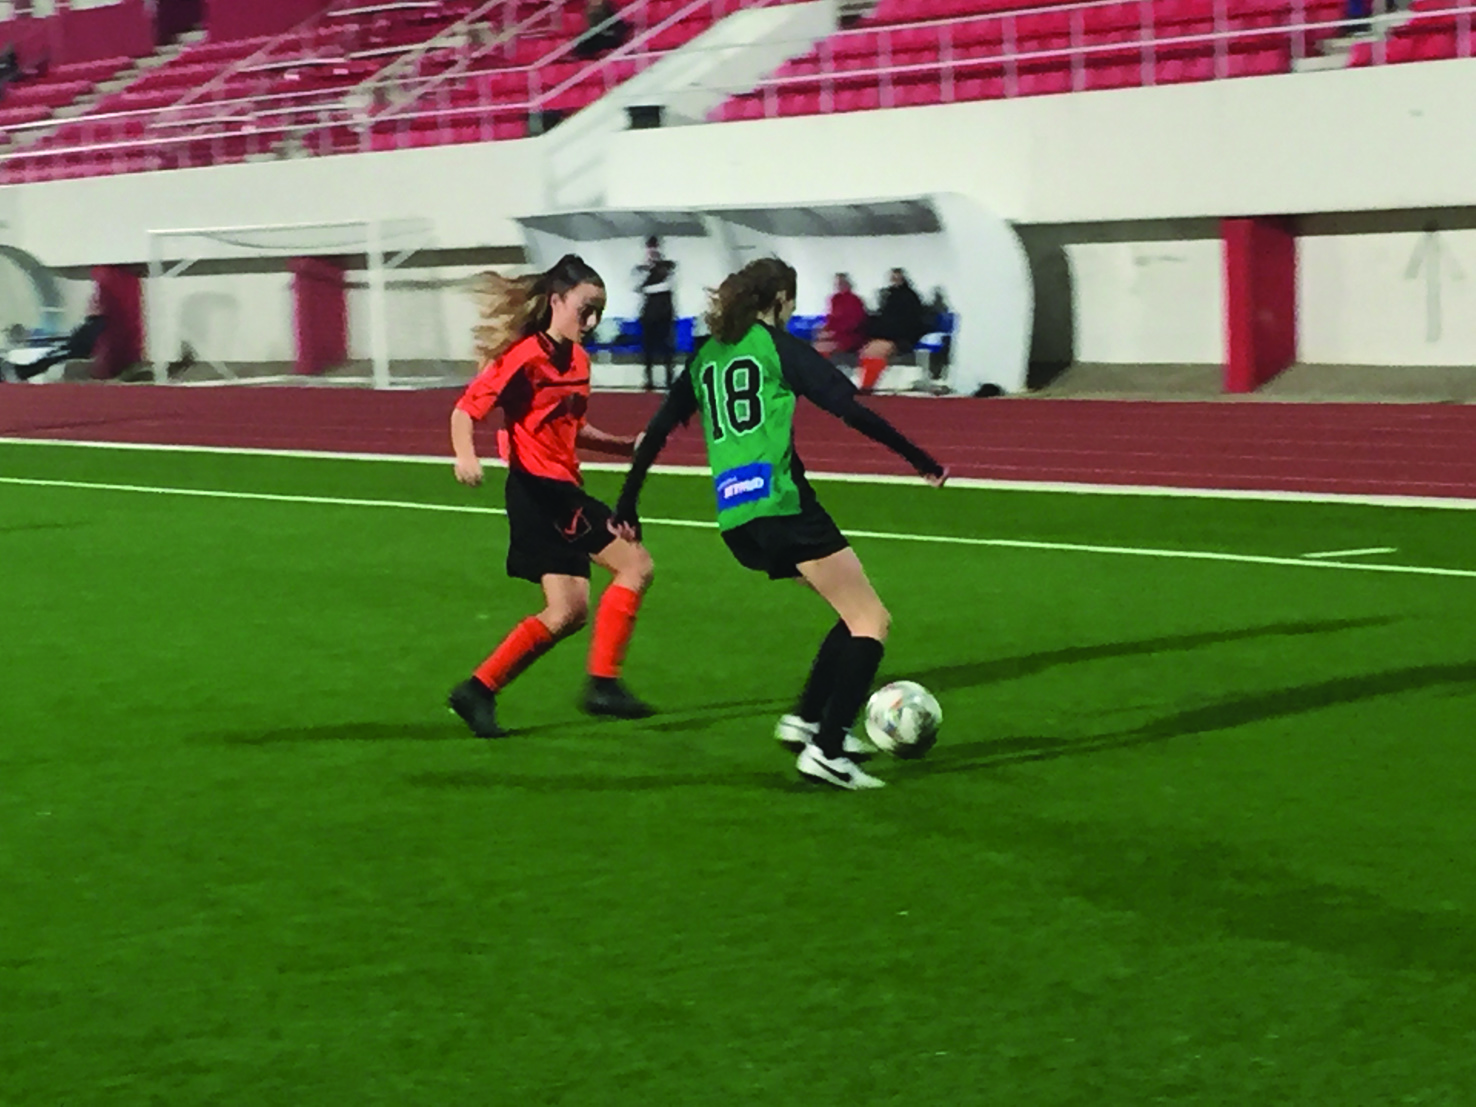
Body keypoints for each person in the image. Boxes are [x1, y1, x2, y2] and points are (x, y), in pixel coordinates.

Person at [610, 258, 948, 791]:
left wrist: (627, 502)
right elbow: (848, 407)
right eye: (790, 302)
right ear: (779, 301)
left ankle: (806, 719)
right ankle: (828, 751)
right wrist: (919, 459)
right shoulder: (775, 346)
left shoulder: (706, 355)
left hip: (737, 519)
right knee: (870, 620)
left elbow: (656, 430)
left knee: (848, 609)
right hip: (783, 505)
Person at [447, 254, 656, 738]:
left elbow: (570, 426)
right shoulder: (524, 357)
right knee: (636, 565)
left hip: (558, 487)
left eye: (599, 311)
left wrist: (624, 446)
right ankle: (603, 683)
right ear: (557, 301)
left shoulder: (578, 360)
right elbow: (465, 411)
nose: (593, 321)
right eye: (585, 309)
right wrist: (466, 456)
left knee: (568, 612)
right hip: (539, 489)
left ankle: (477, 690)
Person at [859, 267, 929, 393]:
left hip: (902, 337)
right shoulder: (889, 296)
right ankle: (867, 384)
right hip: (891, 335)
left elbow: (910, 322)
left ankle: (867, 385)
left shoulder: (909, 297)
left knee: (875, 351)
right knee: (868, 351)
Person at [635, 235, 676, 391]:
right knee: (648, 349)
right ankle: (649, 380)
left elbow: (666, 286)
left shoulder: (667, 266)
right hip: (649, 314)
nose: (652, 251)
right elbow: (637, 286)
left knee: (667, 349)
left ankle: (669, 380)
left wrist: (647, 286)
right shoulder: (644, 269)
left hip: (664, 313)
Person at [815, 272, 867, 361]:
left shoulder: (855, 300)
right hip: (836, 333)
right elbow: (832, 317)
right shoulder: (835, 299)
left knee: (823, 347)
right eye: (838, 283)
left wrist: (834, 332)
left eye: (842, 283)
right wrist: (826, 329)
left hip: (849, 336)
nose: (839, 285)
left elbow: (855, 322)